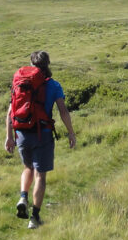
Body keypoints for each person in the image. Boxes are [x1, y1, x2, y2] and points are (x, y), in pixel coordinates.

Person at [5, 50, 76, 229]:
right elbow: (63, 111)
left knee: (27, 167)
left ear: (31, 63)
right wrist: (71, 132)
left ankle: (23, 196)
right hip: (42, 134)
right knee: (40, 175)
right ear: (48, 64)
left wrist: (8, 137)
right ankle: (34, 217)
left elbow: (10, 112)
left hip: (21, 133)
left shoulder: (20, 83)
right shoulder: (53, 85)